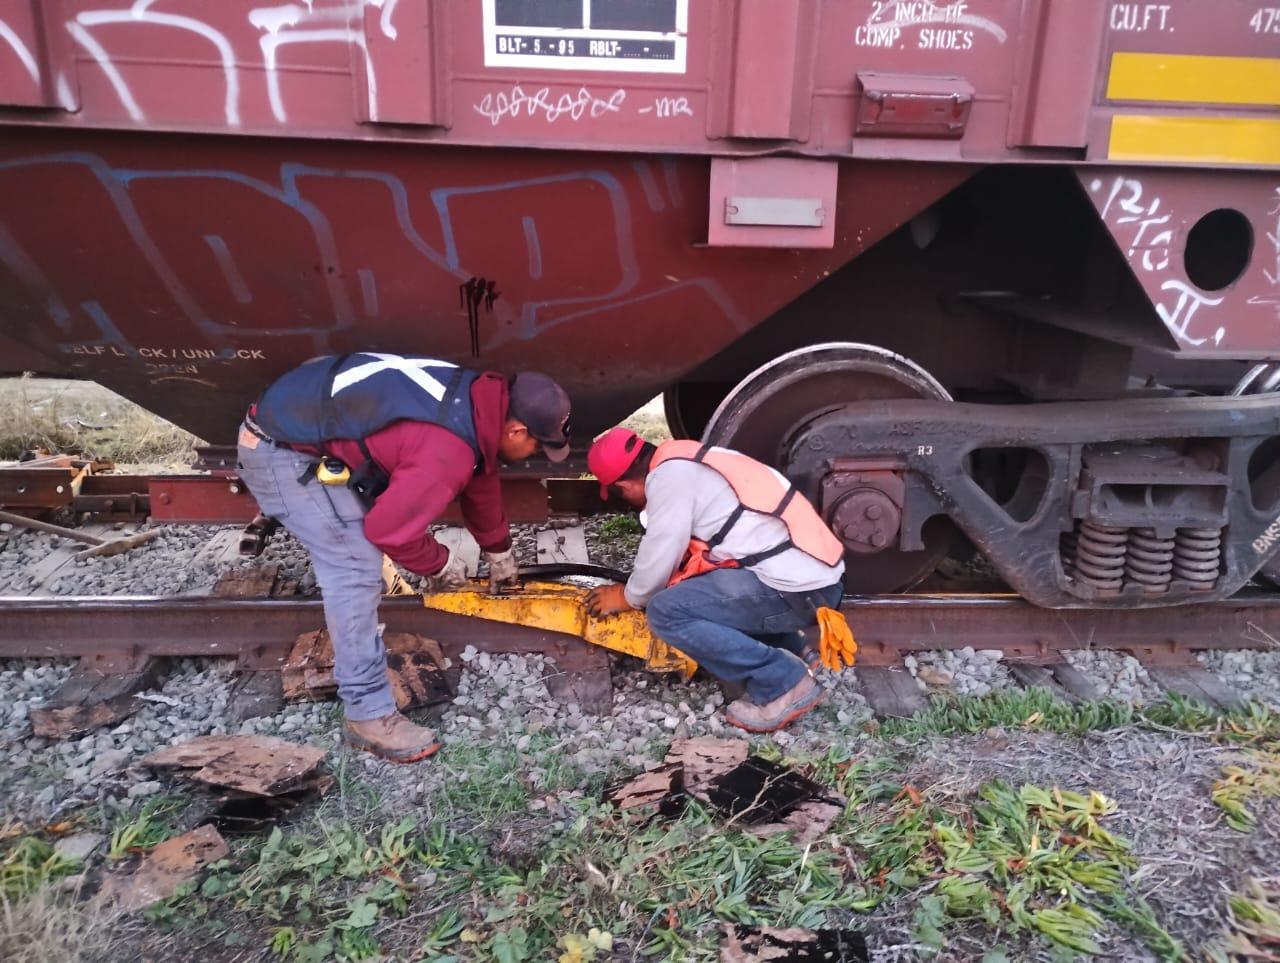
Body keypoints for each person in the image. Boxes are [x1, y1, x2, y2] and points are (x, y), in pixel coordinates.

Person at [236, 352, 571, 763]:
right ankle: (368, 716)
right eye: (540, 443)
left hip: (292, 422)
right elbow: (388, 530)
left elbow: (479, 478)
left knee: (361, 544)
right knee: (355, 565)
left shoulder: (477, 404)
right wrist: (438, 563)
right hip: (278, 450)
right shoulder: (447, 449)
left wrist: (499, 549)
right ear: (517, 430)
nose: (538, 452)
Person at [584, 428, 846, 733]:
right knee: (696, 591)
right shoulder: (684, 457)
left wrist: (628, 597)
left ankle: (782, 682)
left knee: (666, 611)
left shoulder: (667, 480)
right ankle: (795, 648)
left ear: (622, 485)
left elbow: (662, 549)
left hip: (797, 588)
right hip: (810, 578)